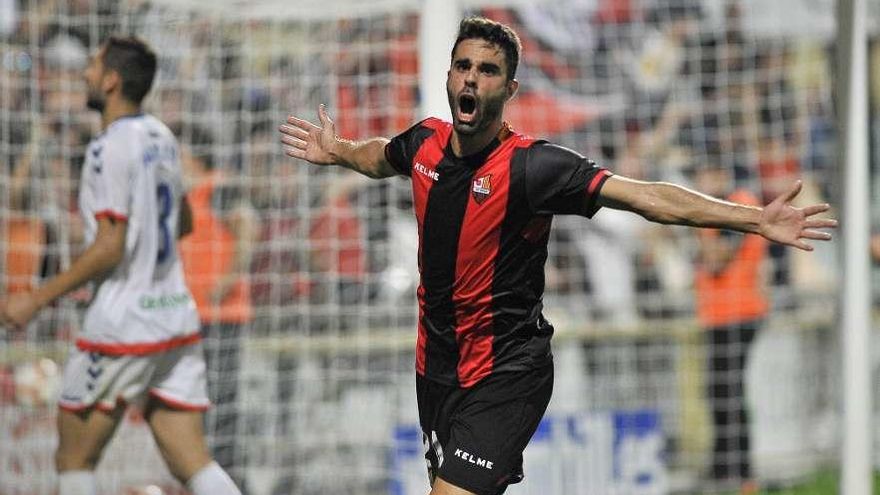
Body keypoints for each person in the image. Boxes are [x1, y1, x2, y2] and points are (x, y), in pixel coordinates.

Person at [278, 17, 836, 495]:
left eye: (488, 70)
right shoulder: (424, 142)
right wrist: (341, 152)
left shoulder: (534, 167)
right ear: (449, 76)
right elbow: (384, 156)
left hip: (507, 370)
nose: (471, 77)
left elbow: (645, 196)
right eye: (463, 66)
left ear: (511, 88)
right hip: (437, 366)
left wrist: (753, 218)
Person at [0, 36, 241, 495]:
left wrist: (36, 297)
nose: (84, 74)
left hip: (121, 325)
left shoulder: (107, 148)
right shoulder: (161, 135)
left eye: (91, 66)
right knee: (192, 460)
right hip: (174, 316)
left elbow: (109, 247)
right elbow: (183, 221)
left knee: (74, 458)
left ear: (110, 80)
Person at [177, 123, 256, 491]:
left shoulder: (218, 187)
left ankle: (231, 481)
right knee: (204, 406)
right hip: (199, 318)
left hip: (221, 319)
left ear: (190, 154)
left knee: (220, 407)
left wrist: (224, 284)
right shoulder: (192, 195)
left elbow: (248, 225)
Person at [692, 159, 767, 492]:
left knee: (728, 393)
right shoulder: (725, 207)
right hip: (721, 312)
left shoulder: (736, 205)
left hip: (739, 311)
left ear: (721, 171)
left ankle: (740, 473)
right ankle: (726, 469)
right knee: (719, 392)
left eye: (706, 171)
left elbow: (717, 258)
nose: (701, 180)